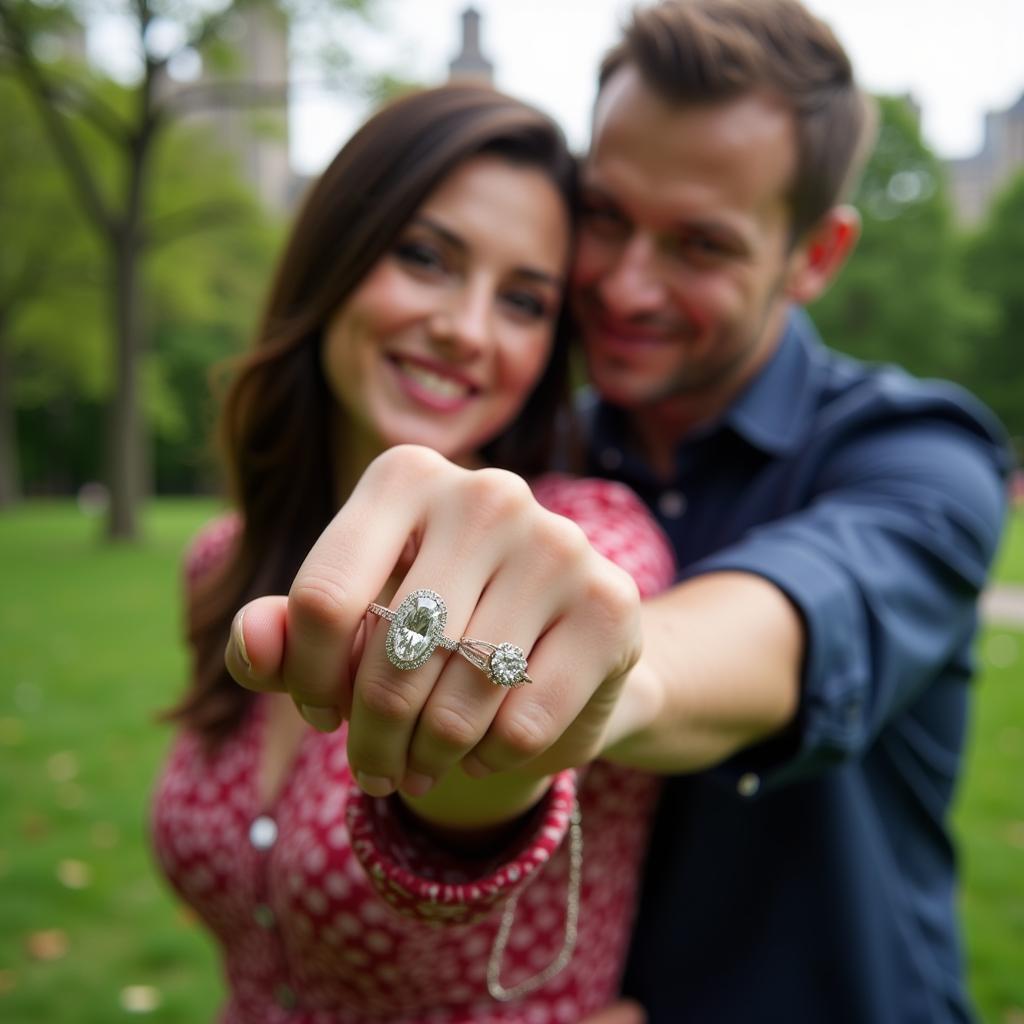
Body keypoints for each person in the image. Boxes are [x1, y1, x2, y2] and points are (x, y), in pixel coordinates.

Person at [230, 2, 1011, 1022]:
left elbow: (783, 629)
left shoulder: (919, 457)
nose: (623, 284)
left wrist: (599, 676)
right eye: (604, 217)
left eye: (698, 244)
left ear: (814, 255)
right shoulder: (530, 456)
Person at [152, 84, 676, 1023]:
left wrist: (500, 755)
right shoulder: (223, 559)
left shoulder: (584, 542)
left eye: (523, 300)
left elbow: (585, 652)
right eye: (428, 258)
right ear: (336, 258)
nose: (467, 329)